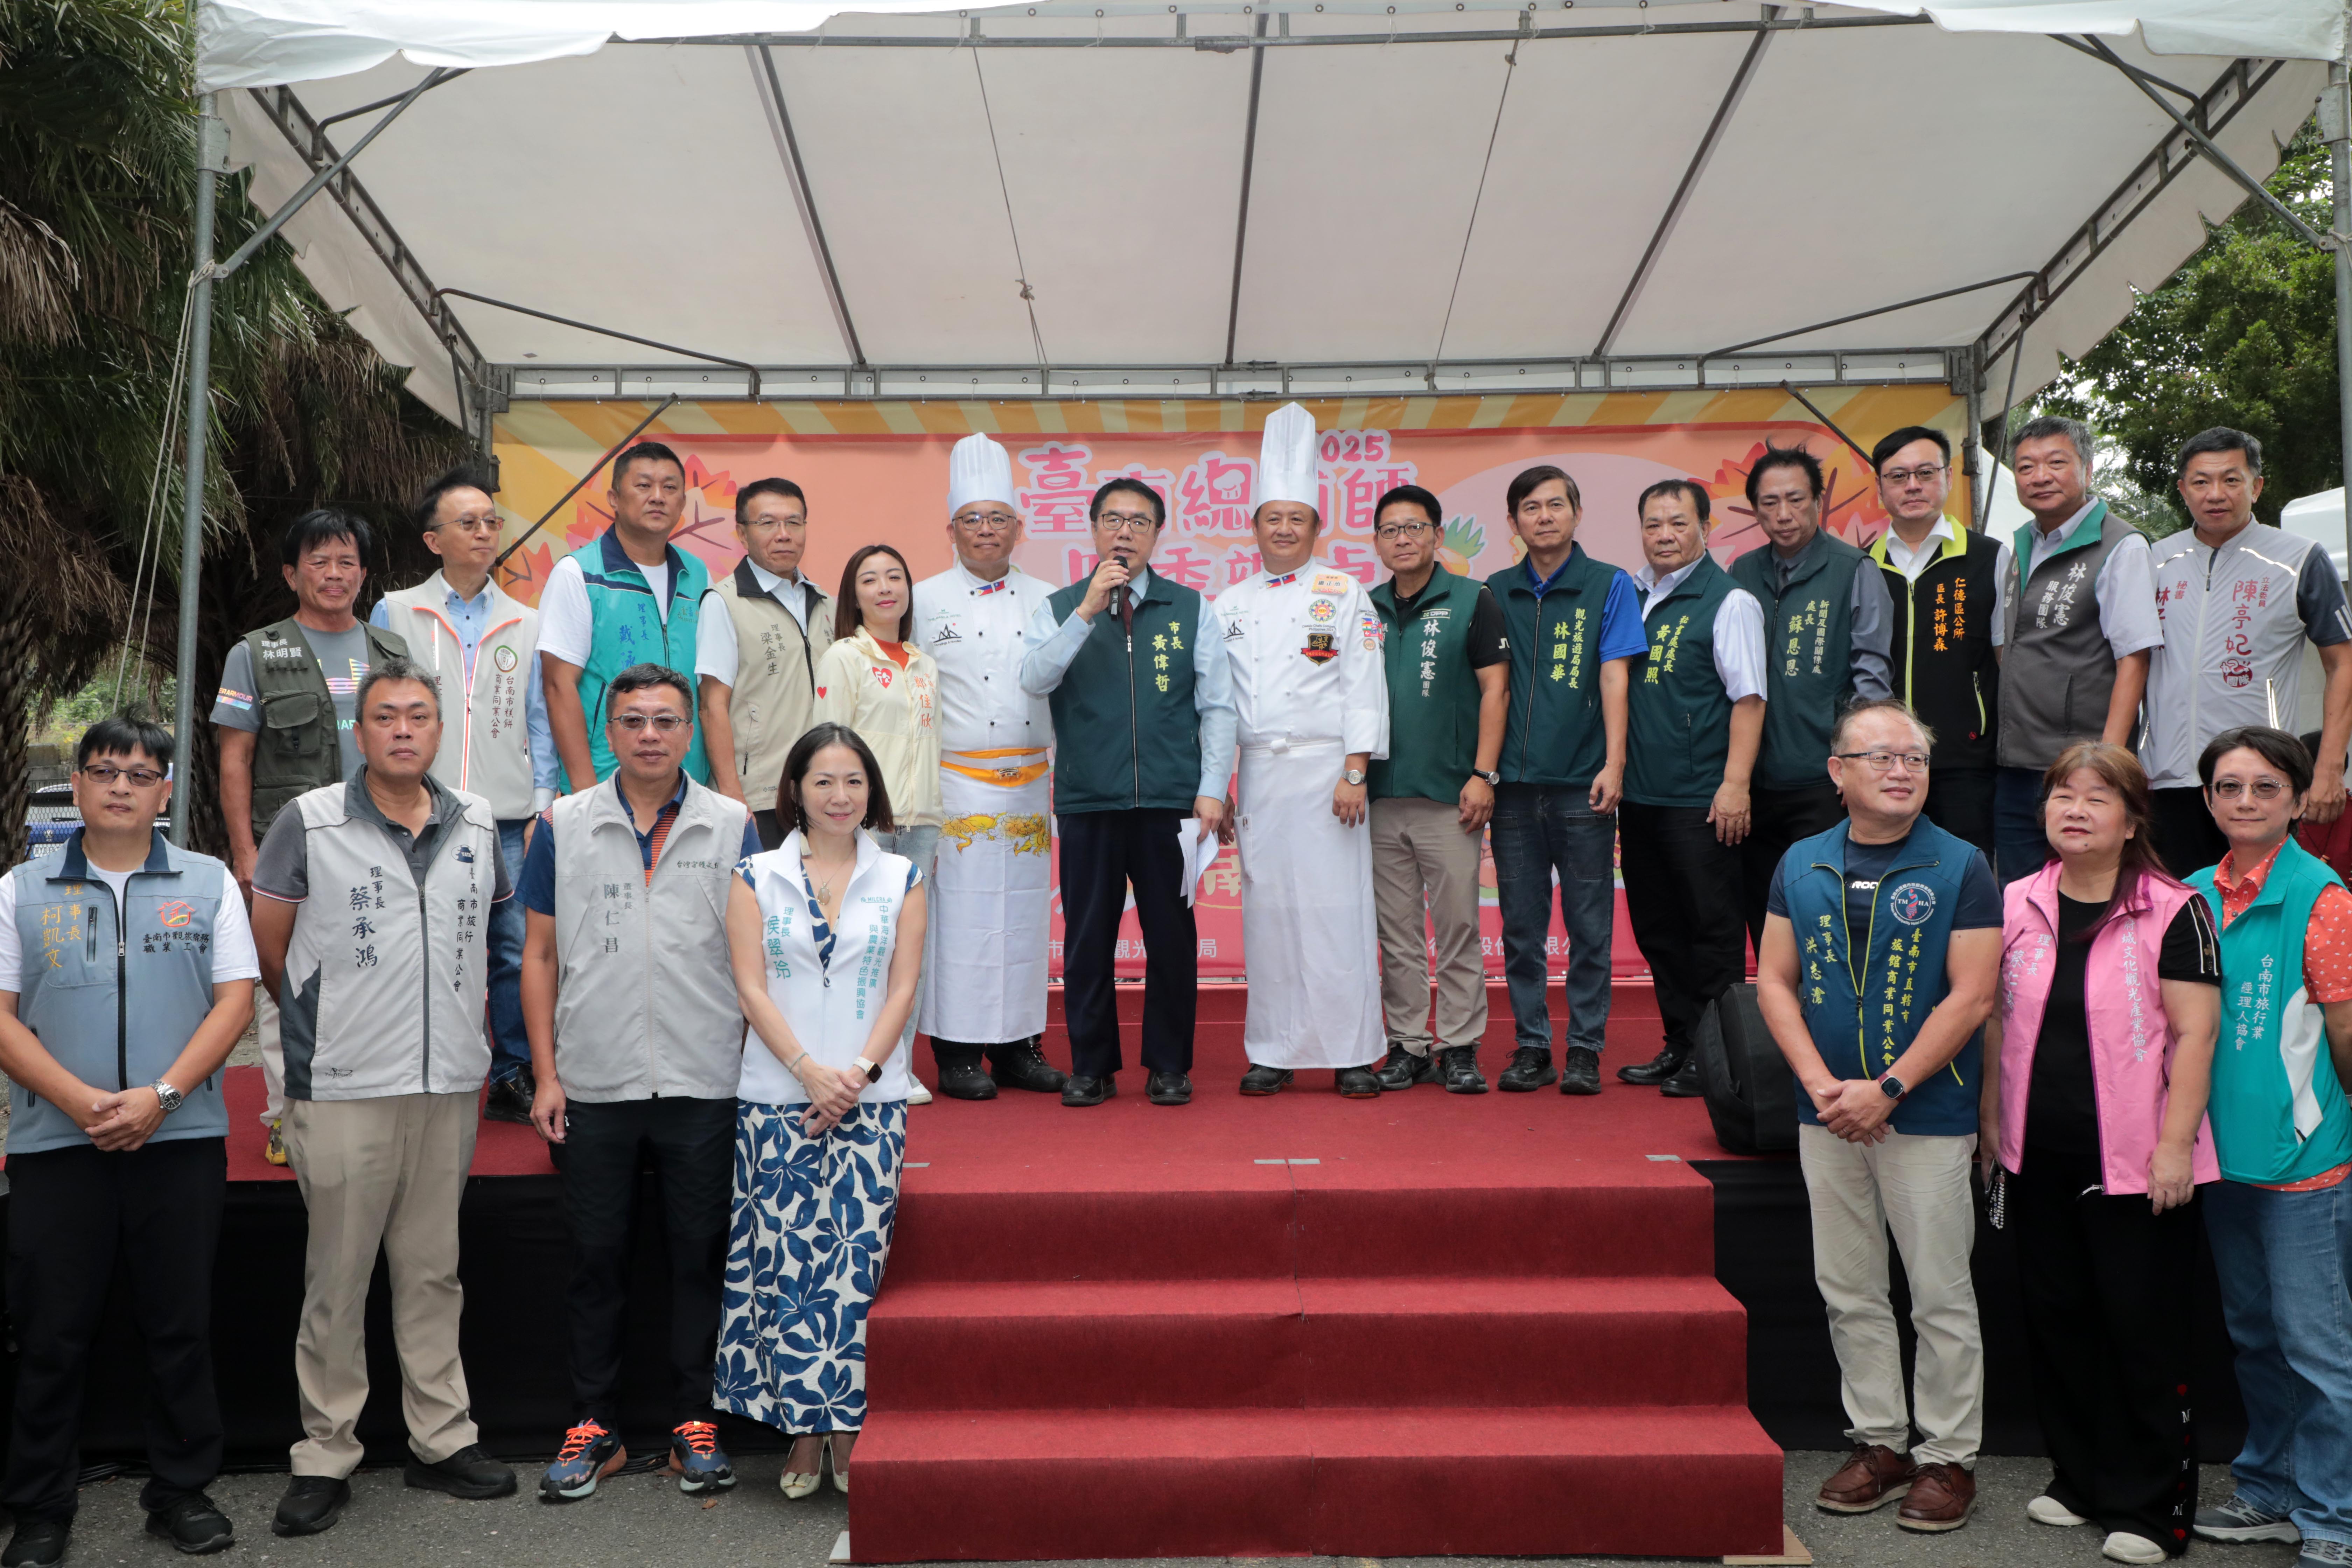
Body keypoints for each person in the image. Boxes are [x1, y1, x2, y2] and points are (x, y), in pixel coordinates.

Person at [248, 656, 519, 1536]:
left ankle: (442, 1438)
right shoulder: (310, 822)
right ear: (356, 733)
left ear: (441, 731)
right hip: (345, 1086)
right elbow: (272, 950)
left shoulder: (477, 820)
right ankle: (325, 1453)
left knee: (432, 1270)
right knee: (338, 1276)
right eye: (385, 717)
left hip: (446, 1085)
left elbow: (498, 934)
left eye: (419, 716)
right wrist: (328, 1032)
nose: (403, 730)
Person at [0, 716, 255, 1568]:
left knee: (178, 1324)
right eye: (104, 771)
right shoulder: (19, 890)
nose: (121, 785)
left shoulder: (210, 881)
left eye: (141, 774)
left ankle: (181, 1491)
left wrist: (163, 1096)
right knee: (51, 1331)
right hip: (53, 1145)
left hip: (180, 1139)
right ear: (75, 786)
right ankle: (39, 1505)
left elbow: (234, 1003)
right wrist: (80, 1103)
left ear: (166, 791)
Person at [518, 665, 763, 1503]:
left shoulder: (734, 826)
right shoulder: (564, 824)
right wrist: (545, 1074)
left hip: (704, 1078)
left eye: (666, 721)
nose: (650, 735)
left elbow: (757, 960)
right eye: (632, 722)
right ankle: (596, 1425)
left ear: (690, 732)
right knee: (596, 1258)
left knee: (698, 1257)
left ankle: (696, 1420)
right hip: (595, 1080)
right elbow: (539, 955)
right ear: (608, 731)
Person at [1755, 698, 2000, 1534]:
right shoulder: (1801, 861)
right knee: (1850, 1288)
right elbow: (1774, 982)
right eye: (1882, 757)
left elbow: (1972, 996)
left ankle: (1947, 1457)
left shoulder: (1961, 865)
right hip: (1824, 1111)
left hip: (1923, 1113)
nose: (1902, 771)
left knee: (1939, 1292)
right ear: (1838, 773)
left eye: (1916, 759)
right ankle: (1881, 1443)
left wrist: (1886, 1089)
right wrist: (1825, 1085)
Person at [1983, 742, 2219, 1563]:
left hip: (2137, 1161)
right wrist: (1991, 1135)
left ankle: (2154, 1510)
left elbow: (2196, 1035)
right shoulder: (2015, 900)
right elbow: (1991, 1025)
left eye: (2096, 798)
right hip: (2036, 1153)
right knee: (2058, 1323)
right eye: (2061, 797)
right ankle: (2080, 1482)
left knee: (2141, 1335)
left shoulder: (2174, 907)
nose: (2075, 811)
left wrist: (2174, 1148)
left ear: (2131, 821)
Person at [716, 723, 925, 1499]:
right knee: (785, 1268)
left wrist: (859, 1074)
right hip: (779, 1098)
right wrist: (808, 1072)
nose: (841, 796)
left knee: (850, 1271)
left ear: (872, 791)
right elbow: (751, 986)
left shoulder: (901, 874)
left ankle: (846, 1425)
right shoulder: (755, 875)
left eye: (855, 781)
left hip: (872, 1102)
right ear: (795, 790)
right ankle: (803, 1431)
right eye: (824, 781)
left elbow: (902, 987)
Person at [2179, 727, 2352, 1568]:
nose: (2245, 802)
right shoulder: (2185, 897)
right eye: (2228, 788)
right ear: (2207, 799)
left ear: (2294, 799)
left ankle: (2335, 1515)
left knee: (2317, 1348)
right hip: (2219, 1160)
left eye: (2264, 788)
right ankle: (2270, 1490)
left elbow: (2348, 1037)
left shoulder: (2324, 901)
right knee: (2253, 1335)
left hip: (2304, 1168)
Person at [1019, 477, 1236, 1107]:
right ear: (1092, 530)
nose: (1125, 532)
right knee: (1089, 937)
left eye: (1139, 522)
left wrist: (1212, 791)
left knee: (1173, 937)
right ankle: (1092, 1065)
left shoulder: (1190, 607)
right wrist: (1087, 611)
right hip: (1089, 800)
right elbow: (1033, 679)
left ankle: (1170, 1065)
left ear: (1157, 534)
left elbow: (1218, 707)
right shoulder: (1061, 607)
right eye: (1112, 520)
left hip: (1172, 803)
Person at [213, 508, 407, 1163]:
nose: (334, 574)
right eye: (319, 562)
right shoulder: (256, 653)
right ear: (292, 574)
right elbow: (235, 758)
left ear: (364, 574)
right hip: (286, 850)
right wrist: (245, 852)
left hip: (381, 847)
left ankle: (369, 1103)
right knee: (282, 984)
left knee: (378, 974)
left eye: (347, 562)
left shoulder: (391, 655)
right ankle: (285, 1114)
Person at [373, 467, 560, 1127]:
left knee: (511, 949)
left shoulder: (527, 620)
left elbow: (541, 719)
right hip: (415, 812)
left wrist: (542, 806)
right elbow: (375, 710)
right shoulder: (395, 611)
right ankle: (418, 1066)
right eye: (468, 524)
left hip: (508, 817)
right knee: (421, 942)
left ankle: (512, 1072)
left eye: (491, 522)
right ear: (433, 540)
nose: (484, 534)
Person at [1216, 402, 1390, 1098]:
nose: (1284, 528)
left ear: (1317, 526)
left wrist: (1356, 769)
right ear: (1253, 525)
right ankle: (1274, 1050)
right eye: (1272, 517)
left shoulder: (1343, 592)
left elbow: (1365, 685)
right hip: (1259, 775)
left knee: (1337, 913)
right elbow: (1215, 707)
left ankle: (1351, 1051)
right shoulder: (1226, 604)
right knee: (1271, 918)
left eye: (1297, 518)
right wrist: (1217, 784)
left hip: (1329, 774)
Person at [1481, 465, 1647, 1095]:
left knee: (1589, 924)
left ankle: (1583, 1049)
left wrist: (1615, 763)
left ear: (1577, 515)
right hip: (1514, 790)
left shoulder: (1609, 586)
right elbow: (1487, 691)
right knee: (1521, 928)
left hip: (1583, 783)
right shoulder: (1494, 589)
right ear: (1513, 523)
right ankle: (1531, 1047)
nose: (1544, 517)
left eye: (1556, 505)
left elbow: (1614, 677)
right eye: (1531, 507)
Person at [911, 434, 1065, 1101]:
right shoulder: (919, 599)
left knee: (1025, 917)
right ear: (950, 528)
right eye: (972, 519)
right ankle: (955, 1055)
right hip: (954, 780)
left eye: (998, 519)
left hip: (1031, 780)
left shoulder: (1055, 598)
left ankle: (1019, 1049)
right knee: (960, 919)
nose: (985, 531)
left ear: (1019, 529)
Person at [2144, 429, 2352, 877]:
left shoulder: (2300, 559)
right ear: (2182, 489)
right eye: (2200, 482)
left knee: (2261, 904)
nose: (2215, 494)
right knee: (2181, 916)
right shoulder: (2154, 562)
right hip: (2166, 779)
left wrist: (2329, 769)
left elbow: (2343, 662)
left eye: (2232, 480)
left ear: (2257, 486)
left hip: (2260, 781)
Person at [1618, 479, 1768, 1096]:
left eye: (1678, 523)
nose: (1665, 536)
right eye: (1653, 525)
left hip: (1701, 798)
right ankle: (1680, 1045)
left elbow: (1750, 700)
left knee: (1711, 931)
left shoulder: (1729, 602)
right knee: (1658, 930)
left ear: (1705, 528)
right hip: (1641, 796)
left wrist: (1735, 785)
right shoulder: (1632, 594)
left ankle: (1719, 1057)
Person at [1368, 483, 1512, 1094]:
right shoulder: (1360, 606)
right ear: (1377, 542)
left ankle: (1458, 1044)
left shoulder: (1471, 600)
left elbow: (1495, 691)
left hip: (1450, 796)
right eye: (1391, 531)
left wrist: (1483, 775)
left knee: (1455, 928)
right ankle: (1407, 1044)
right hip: (1376, 800)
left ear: (1436, 535)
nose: (1403, 540)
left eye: (1415, 528)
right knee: (1395, 934)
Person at [1729, 443, 1895, 951]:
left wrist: (1858, 766)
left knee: (1826, 913)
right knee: (1762, 913)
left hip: (1824, 780)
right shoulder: (1741, 572)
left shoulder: (1853, 568)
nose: (1784, 515)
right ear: (1755, 508)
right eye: (1769, 503)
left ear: (1820, 501)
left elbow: (1873, 679)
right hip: (1753, 781)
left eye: (1796, 500)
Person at [1996, 416, 2163, 886]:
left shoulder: (2121, 546)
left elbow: (2135, 656)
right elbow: (2008, 647)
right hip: (2016, 764)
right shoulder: (2018, 547)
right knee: (2020, 895)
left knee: (2088, 894)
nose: (2040, 476)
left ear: (2087, 470)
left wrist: (2108, 759)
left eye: (2056, 463)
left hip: (2082, 767)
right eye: (2026, 467)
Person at [814, 543, 941, 1105]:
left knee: (908, 951)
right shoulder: (845, 656)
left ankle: (897, 1067)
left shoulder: (923, 662)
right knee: (859, 946)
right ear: (854, 595)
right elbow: (828, 744)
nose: (885, 587)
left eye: (896, 576)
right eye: (870, 579)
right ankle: (850, 1064)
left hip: (922, 824)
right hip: (868, 825)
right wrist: (842, 814)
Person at [1865, 426, 2009, 861]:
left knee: (1965, 875)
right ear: (1880, 488)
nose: (1912, 486)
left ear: (1949, 476)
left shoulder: (1991, 557)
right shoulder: (1862, 566)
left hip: (1965, 758)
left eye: (1925, 473)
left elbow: (2007, 658)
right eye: (1898, 476)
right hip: (1882, 764)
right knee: (1884, 875)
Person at [540, 440, 713, 790]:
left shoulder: (698, 575)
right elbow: (559, 687)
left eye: (670, 488)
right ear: (615, 499)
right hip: (607, 780)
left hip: (689, 783)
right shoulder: (580, 574)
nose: (658, 497)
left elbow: (712, 689)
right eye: (644, 485)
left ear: (682, 502)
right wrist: (585, 791)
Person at [696, 476, 835, 849]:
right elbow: (712, 706)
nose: (784, 534)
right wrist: (732, 797)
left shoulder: (825, 603)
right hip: (760, 797)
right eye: (768, 523)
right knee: (762, 906)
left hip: (824, 794)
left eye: (794, 522)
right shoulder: (724, 602)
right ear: (742, 533)